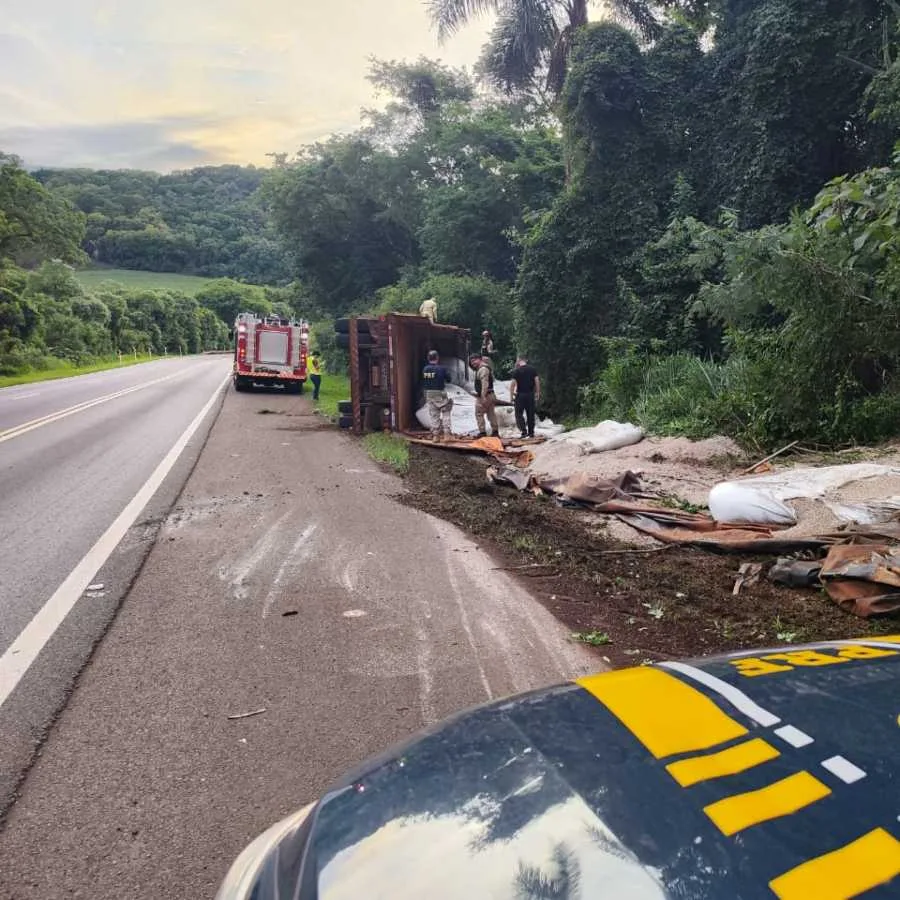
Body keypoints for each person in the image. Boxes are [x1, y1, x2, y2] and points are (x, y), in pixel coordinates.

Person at [421, 350, 453, 440]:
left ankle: (435, 436)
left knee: (434, 415)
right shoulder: (442, 368)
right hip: (440, 393)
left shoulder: (425, 369)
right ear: (437, 358)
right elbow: (449, 379)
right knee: (446, 412)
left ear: (428, 358)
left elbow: (425, 381)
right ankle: (447, 434)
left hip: (429, 394)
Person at [509, 357, 541, 439]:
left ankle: (524, 432)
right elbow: (537, 381)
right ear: (526, 361)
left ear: (519, 361)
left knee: (518, 414)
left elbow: (512, 385)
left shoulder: (516, 371)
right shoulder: (532, 369)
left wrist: (511, 397)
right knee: (530, 414)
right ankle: (531, 433)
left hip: (520, 395)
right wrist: (538, 393)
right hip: (530, 394)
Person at [469, 354, 499, 437]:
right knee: (491, 414)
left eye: (474, 360)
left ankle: (482, 432)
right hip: (490, 394)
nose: (473, 363)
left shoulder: (482, 369)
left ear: (480, 359)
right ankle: (495, 432)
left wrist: (483, 396)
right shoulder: (484, 368)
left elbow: (485, 383)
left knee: (479, 413)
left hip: (485, 395)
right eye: (471, 362)